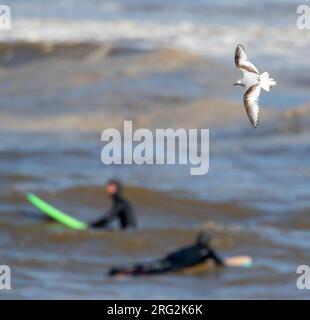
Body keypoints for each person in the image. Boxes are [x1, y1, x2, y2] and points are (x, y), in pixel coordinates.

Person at [108, 231, 224, 276]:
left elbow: (175, 253)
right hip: (174, 266)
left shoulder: (190, 247)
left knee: (147, 265)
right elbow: (220, 263)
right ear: (208, 242)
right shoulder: (208, 251)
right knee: (150, 272)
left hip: (169, 259)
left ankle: (120, 268)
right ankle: (126, 274)